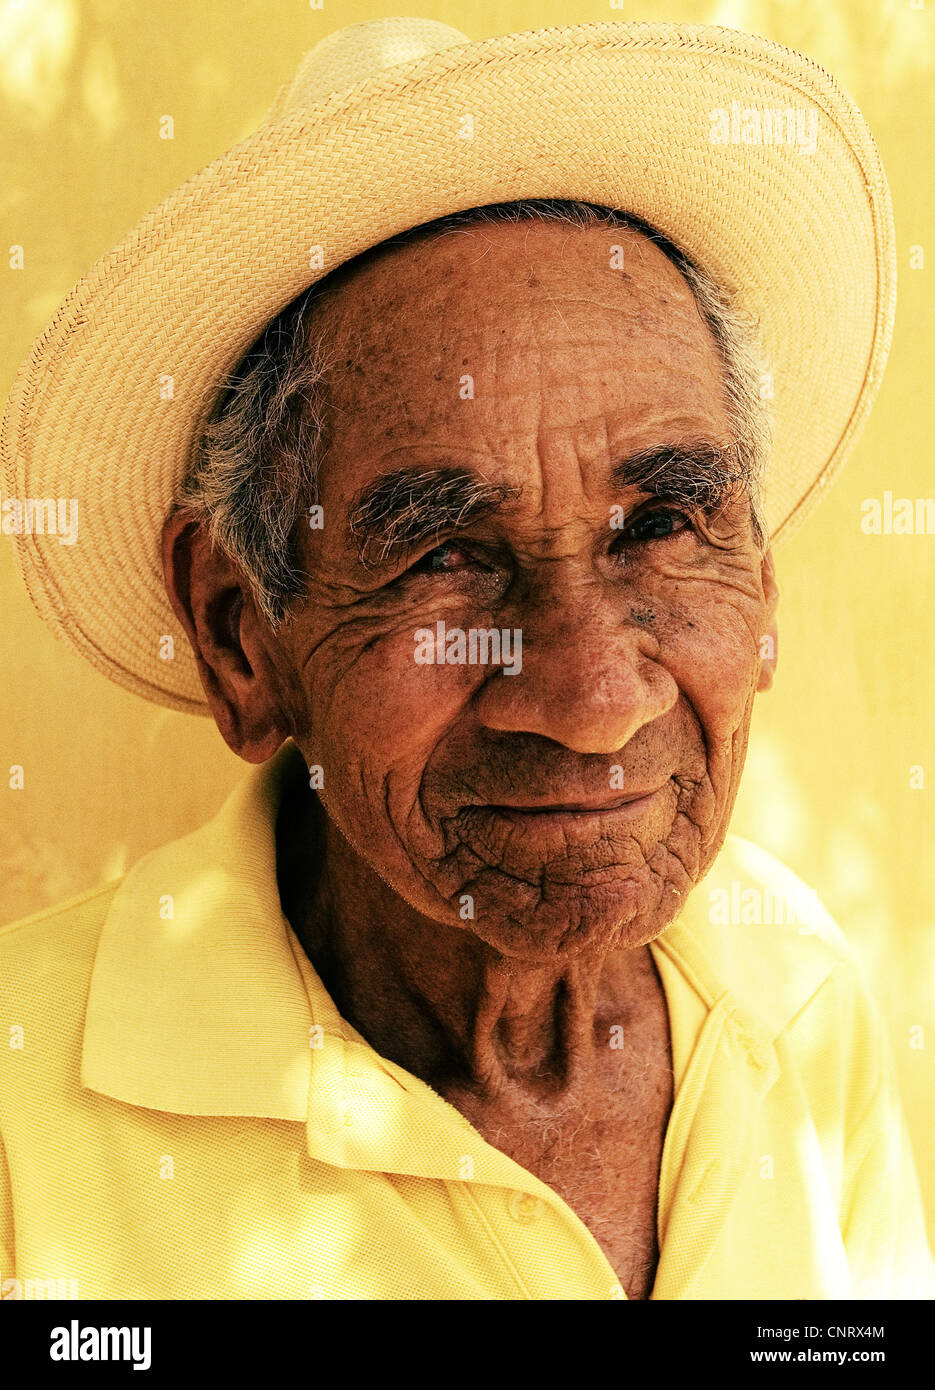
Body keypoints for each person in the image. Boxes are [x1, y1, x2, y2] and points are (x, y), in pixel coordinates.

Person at [1, 17, 931, 1301]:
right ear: (240, 633)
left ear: (759, 579)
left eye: (661, 525)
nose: (595, 703)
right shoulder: (19, 1118)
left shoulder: (798, 992)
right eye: (444, 552)